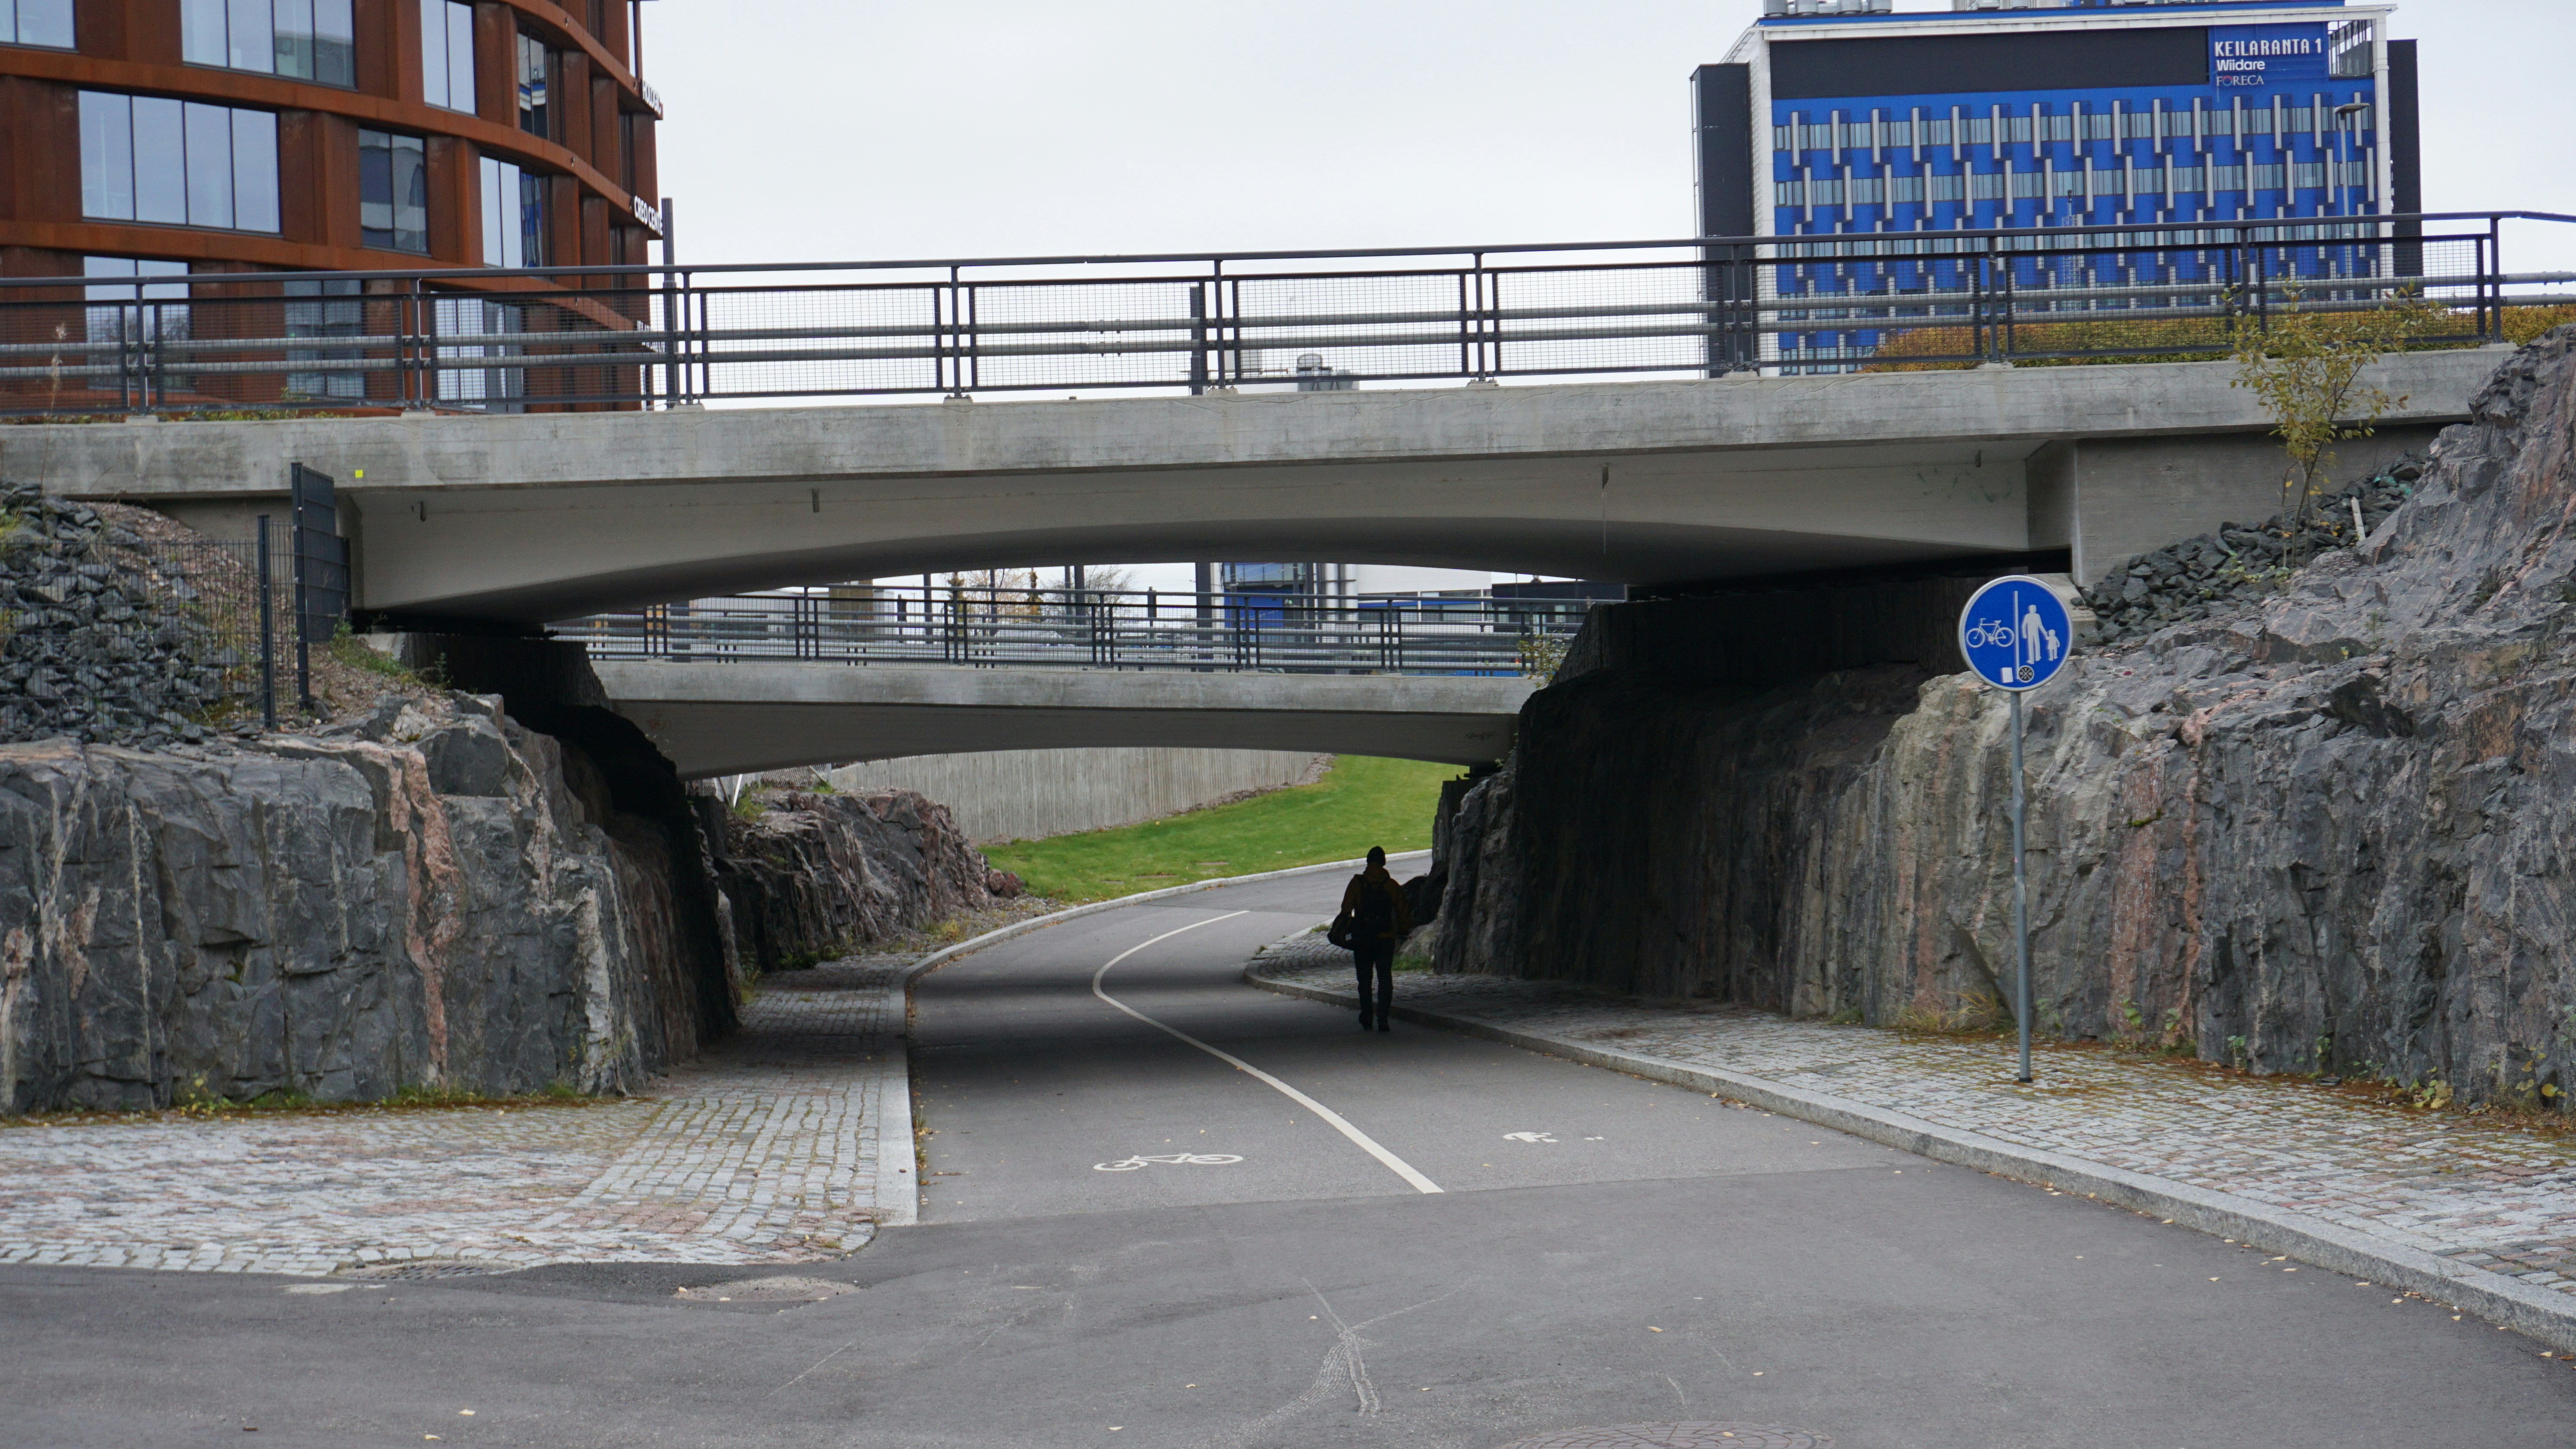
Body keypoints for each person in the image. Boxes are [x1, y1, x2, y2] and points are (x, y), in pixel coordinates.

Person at [1339, 846, 1413, 1033]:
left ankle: (1367, 1017)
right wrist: (1404, 931)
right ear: (1384, 862)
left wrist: (1344, 930)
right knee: (1385, 978)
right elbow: (1403, 911)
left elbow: (1346, 908)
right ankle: (1383, 1019)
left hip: (1363, 939)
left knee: (1364, 980)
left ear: (1367, 862)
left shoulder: (1357, 883)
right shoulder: (1391, 885)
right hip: (1385, 938)